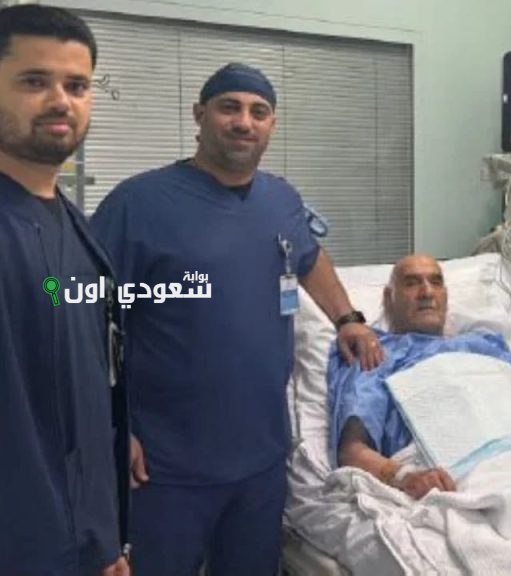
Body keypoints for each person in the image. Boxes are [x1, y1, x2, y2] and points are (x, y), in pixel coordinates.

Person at [89, 63, 382, 575]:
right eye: (230, 108)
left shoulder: (280, 199)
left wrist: (347, 317)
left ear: (272, 124)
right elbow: (84, 316)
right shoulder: (138, 204)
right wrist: (112, 426)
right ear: (199, 115)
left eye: (258, 112)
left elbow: (309, 258)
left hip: (260, 460)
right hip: (162, 465)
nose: (244, 122)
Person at [0, 5, 129, 575]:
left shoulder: (74, 229)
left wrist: (104, 542)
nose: (61, 101)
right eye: (34, 82)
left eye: (76, 86)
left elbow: (82, 402)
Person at [331, 253, 511, 499]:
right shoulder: (376, 354)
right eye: (411, 283)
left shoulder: (483, 345)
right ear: (388, 297)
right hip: (459, 472)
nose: (427, 292)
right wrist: (405, 477)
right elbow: (352, 451)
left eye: (435, 282)